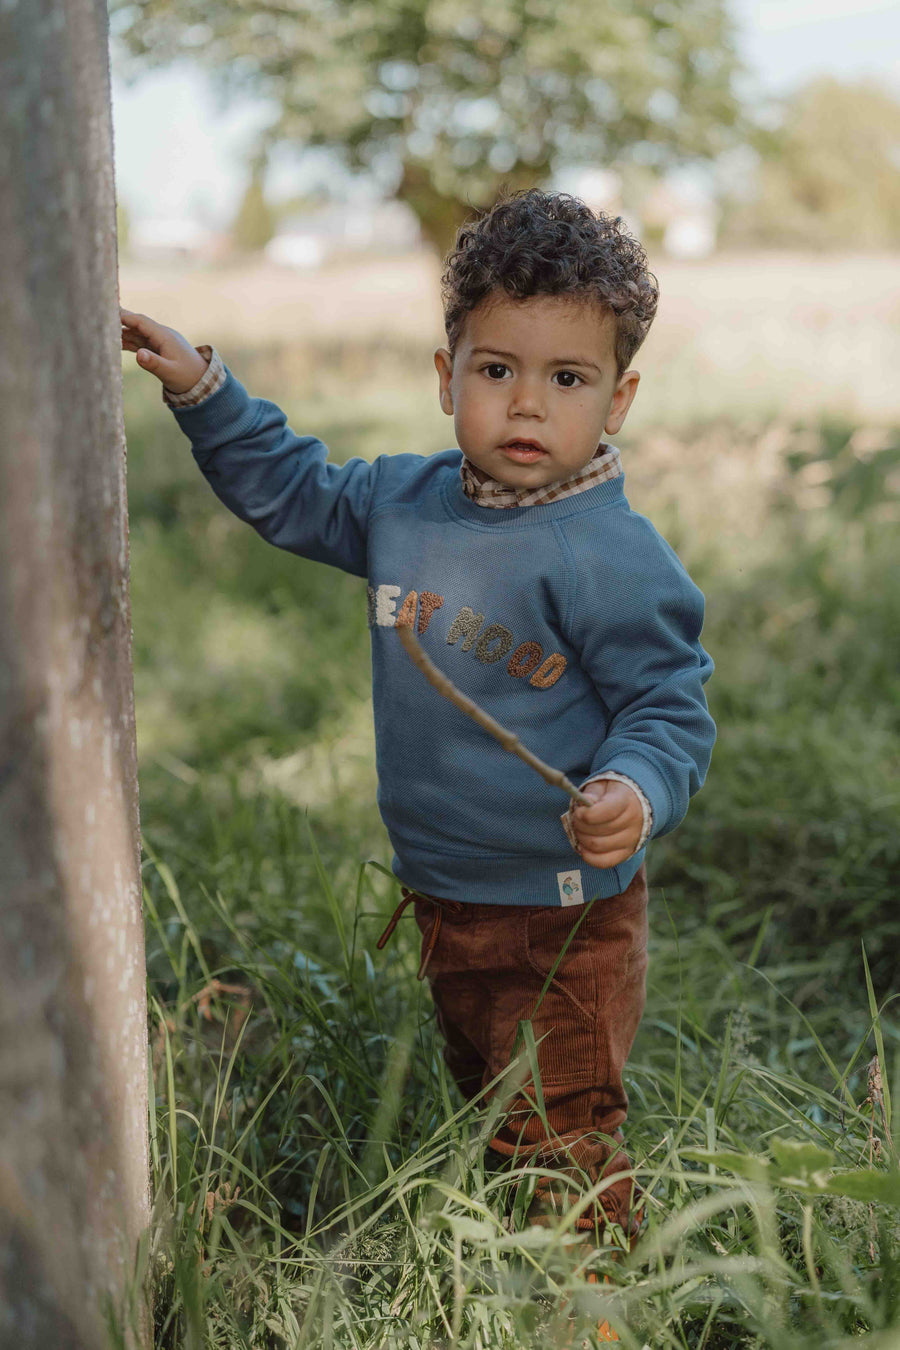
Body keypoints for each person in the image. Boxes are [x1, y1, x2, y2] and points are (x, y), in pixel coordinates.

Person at [121, 188, 716, 1257]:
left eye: (567, 379)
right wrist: (205, 391)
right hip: (444, 892)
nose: (527, 406)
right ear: (447, 378)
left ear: (617, 400)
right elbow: (293, 491)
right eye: (498, 370)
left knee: (563, 1130)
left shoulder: (610, 555)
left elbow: (666, 706)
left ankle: (593, 1299)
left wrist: (638, 789)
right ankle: (512, 1252)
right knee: (492, 1099)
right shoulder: (404, 503)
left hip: (566, 911)